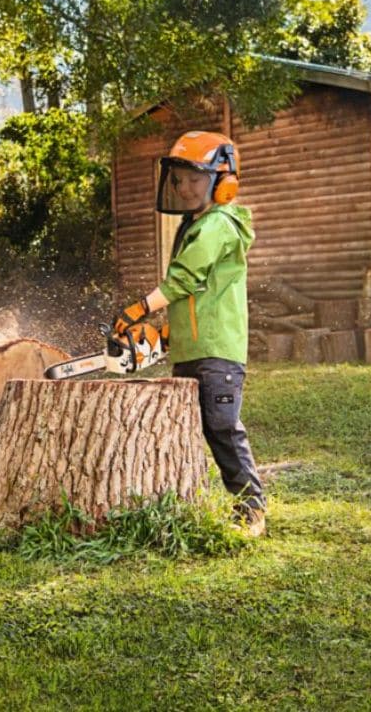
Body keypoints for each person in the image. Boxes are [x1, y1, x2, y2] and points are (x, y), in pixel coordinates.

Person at [114, 130, 266, 536]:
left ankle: (252, 508)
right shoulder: (195, 225)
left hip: (217, 353)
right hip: (193, 349)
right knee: (188, 430)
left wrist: (139, 308)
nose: (184, 187)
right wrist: (164, 337)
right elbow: (193, 299)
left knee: (222, 428)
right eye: (180, 179)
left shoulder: (218, 225)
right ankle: (189, 500)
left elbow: (183, 280)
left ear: (222, 181)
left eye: (195, 178)